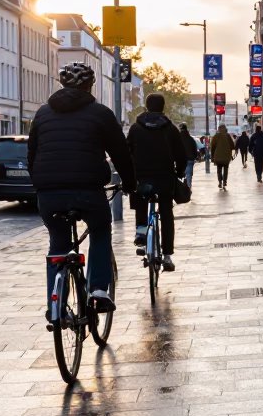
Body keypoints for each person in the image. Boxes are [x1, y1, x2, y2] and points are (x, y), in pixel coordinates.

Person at [28, 62, 136, 317]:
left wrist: (39, 184)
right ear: (90, 86)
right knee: (99, 230)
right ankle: (98, 289)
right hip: (87, 190)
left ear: (62, 84)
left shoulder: (42, 113)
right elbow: (120, 153)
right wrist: (130, 183)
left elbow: (31, 153)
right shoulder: (101, 113)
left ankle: (57, 307)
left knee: (58, 243)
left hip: (49, 193)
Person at [127, 93, 187, 272]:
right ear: (162, 107)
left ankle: (140, 232)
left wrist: (129, 174)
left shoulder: (136, 128)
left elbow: (127, 151)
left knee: (140, 200)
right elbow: (180, 155)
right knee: (166, 213)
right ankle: (167, 255)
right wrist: (179, 172)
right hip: (164, 178)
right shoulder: (170, 129)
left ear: (146, 106)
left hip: (142, 177)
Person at [210, 124, 235, 189]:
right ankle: (224, 181)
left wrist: (212, 157)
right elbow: (232, 146)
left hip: (218, 156)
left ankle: (220, 182)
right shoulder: (228, 136)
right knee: (226, 169)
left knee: (219, 169)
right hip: (226, 156)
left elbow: (212, 147)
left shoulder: (216, 136)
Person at [178, 121, 199, 186]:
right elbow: (194, 148)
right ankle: (188, 187)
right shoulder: (190, 138)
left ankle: (181, 188)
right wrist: (195, 156)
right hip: (190, 158)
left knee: (180, 174)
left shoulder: (177, 138)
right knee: (189, 174)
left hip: (180, 159)